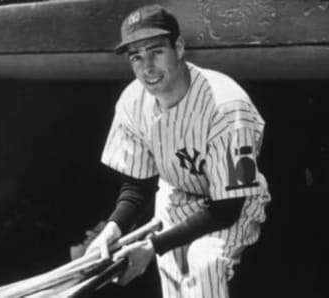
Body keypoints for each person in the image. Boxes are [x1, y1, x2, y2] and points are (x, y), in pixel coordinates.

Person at [85, 4, 270, 298]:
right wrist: (112, 229)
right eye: (136, 57)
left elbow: (227, 207)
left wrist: (153, 246)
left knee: (204, 265)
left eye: (156, 52)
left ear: (179, 47)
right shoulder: (133, 101)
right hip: (174, 197)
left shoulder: (229, 106)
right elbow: (139, 183)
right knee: (175, 286)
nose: (147, 67)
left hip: (236, 201)